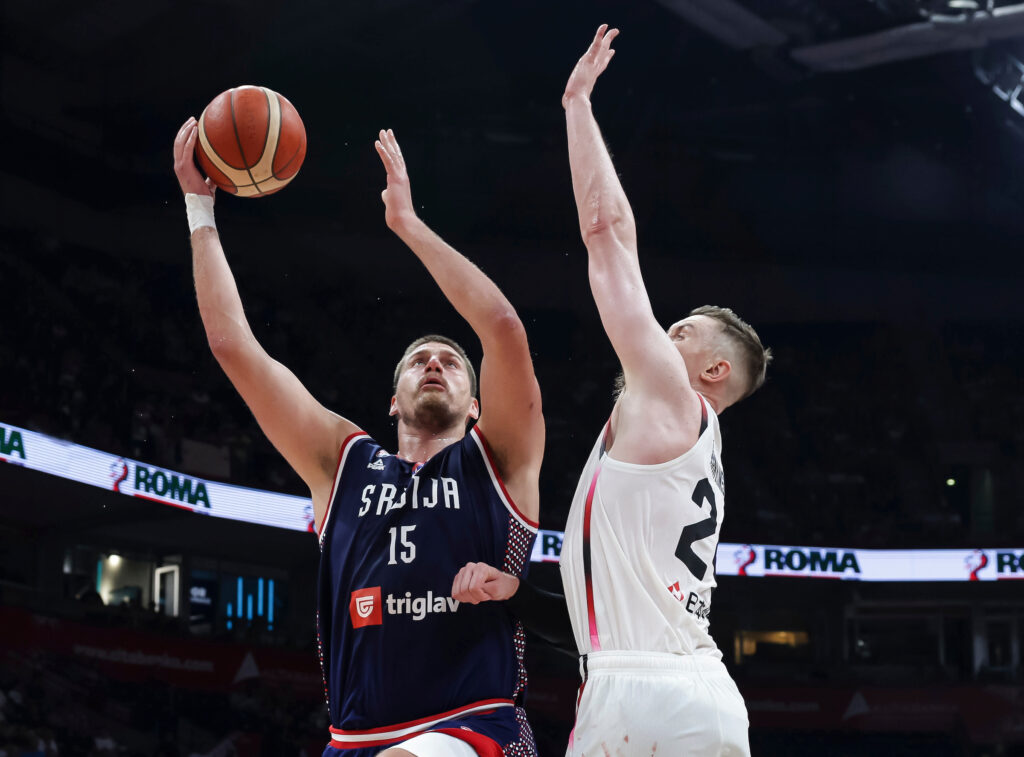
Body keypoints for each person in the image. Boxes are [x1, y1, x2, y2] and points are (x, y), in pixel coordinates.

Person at [172, 122, 544, 757]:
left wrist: (408, 225)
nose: (434, 363)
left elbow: (503, 327)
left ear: (477, 405)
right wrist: (198, 208)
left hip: (475, 728)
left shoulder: (499, 459)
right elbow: (233, 346)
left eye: (452, 363)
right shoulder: (341, 464)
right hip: (354, 739)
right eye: (419, 360)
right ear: (393, 400)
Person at [453, 25, 771, 757]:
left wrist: (577, 106)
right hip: (687, 688)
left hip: (643, 693)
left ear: (714, 372)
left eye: (681, 331)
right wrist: (517, 595)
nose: (663, 334)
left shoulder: (672, 397)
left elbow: (608, 233)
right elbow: (602, 605)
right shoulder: (684, 444)